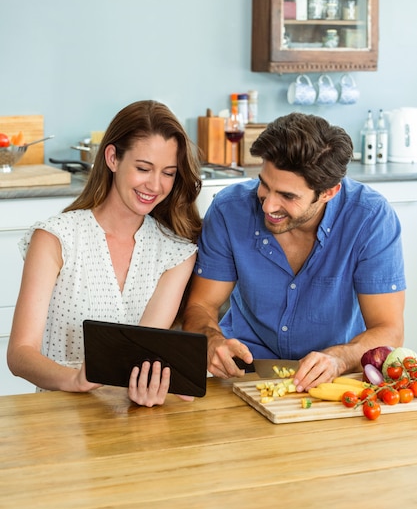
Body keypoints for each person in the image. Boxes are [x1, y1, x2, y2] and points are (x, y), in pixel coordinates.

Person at [182, 112, 406, 394]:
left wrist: (340, 357)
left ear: (329, 192)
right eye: (264, 184)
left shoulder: (370, 218)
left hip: (336, 378)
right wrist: (211, 341)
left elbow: (389, 329)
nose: (268, 205)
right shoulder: (230, 210)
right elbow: (200, 307)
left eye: (288, 196)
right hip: (243, 372)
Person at [7, 100, 202, 407]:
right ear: (112, 158)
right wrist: (74, 380)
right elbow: (19, 355)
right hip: (55, 421)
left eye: (168, 173)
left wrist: (150, 383)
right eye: (143, 168)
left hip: (131, 419)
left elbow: (141, 356)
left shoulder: (175, 254)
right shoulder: (56, 239)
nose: (155, 185)